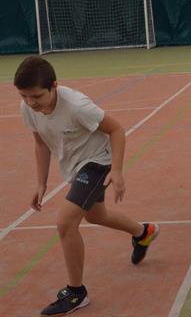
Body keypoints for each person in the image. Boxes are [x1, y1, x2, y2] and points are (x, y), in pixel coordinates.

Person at [14, 56, 159, 316]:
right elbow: (40, 143)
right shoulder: (28, 108)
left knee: (65, 222)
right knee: (96, 215)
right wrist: (41, 182)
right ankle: (143, 232)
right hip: (74, 164)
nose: (29, 102)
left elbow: (116, 130)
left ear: (54, 86)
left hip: (97, 163)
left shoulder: (77, 106)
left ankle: (76, 293)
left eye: (35, 96)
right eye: (24, 96)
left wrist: (117, 170)